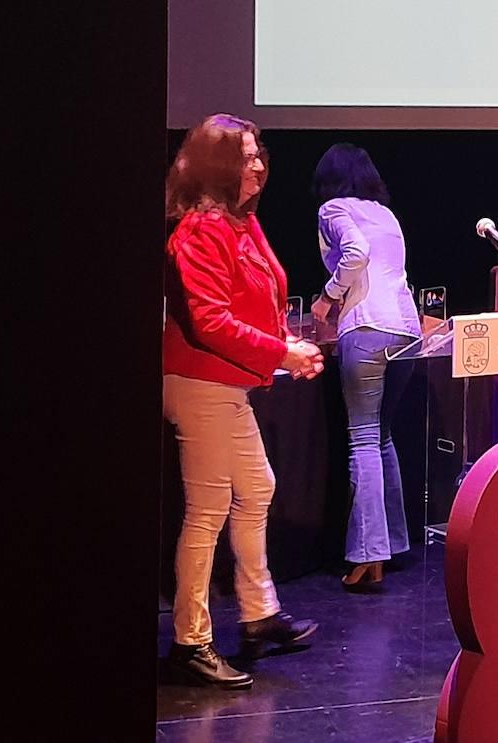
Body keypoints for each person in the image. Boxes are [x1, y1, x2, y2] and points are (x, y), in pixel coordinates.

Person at [162, 115, 323, 689]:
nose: (258, 165)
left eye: (260, 155)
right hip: (201, 382)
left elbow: (261, 297)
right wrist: (282, 352)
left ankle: (258, 616)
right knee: (207, 513)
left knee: (256, 490)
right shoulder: (199, 230)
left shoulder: (239, 222)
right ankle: (191, 643)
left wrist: (284, 346)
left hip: (228, 383)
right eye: (246, 157)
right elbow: (209, 321)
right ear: (217, 165)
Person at [310, 144, 422, 588]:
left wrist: (327, 297)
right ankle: (393, 542)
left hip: (368, 328)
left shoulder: (332, 207)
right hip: (407, 331)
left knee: (363, 440)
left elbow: (354, 253)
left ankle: (368, 556)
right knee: (383, 436)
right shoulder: (385, 213)